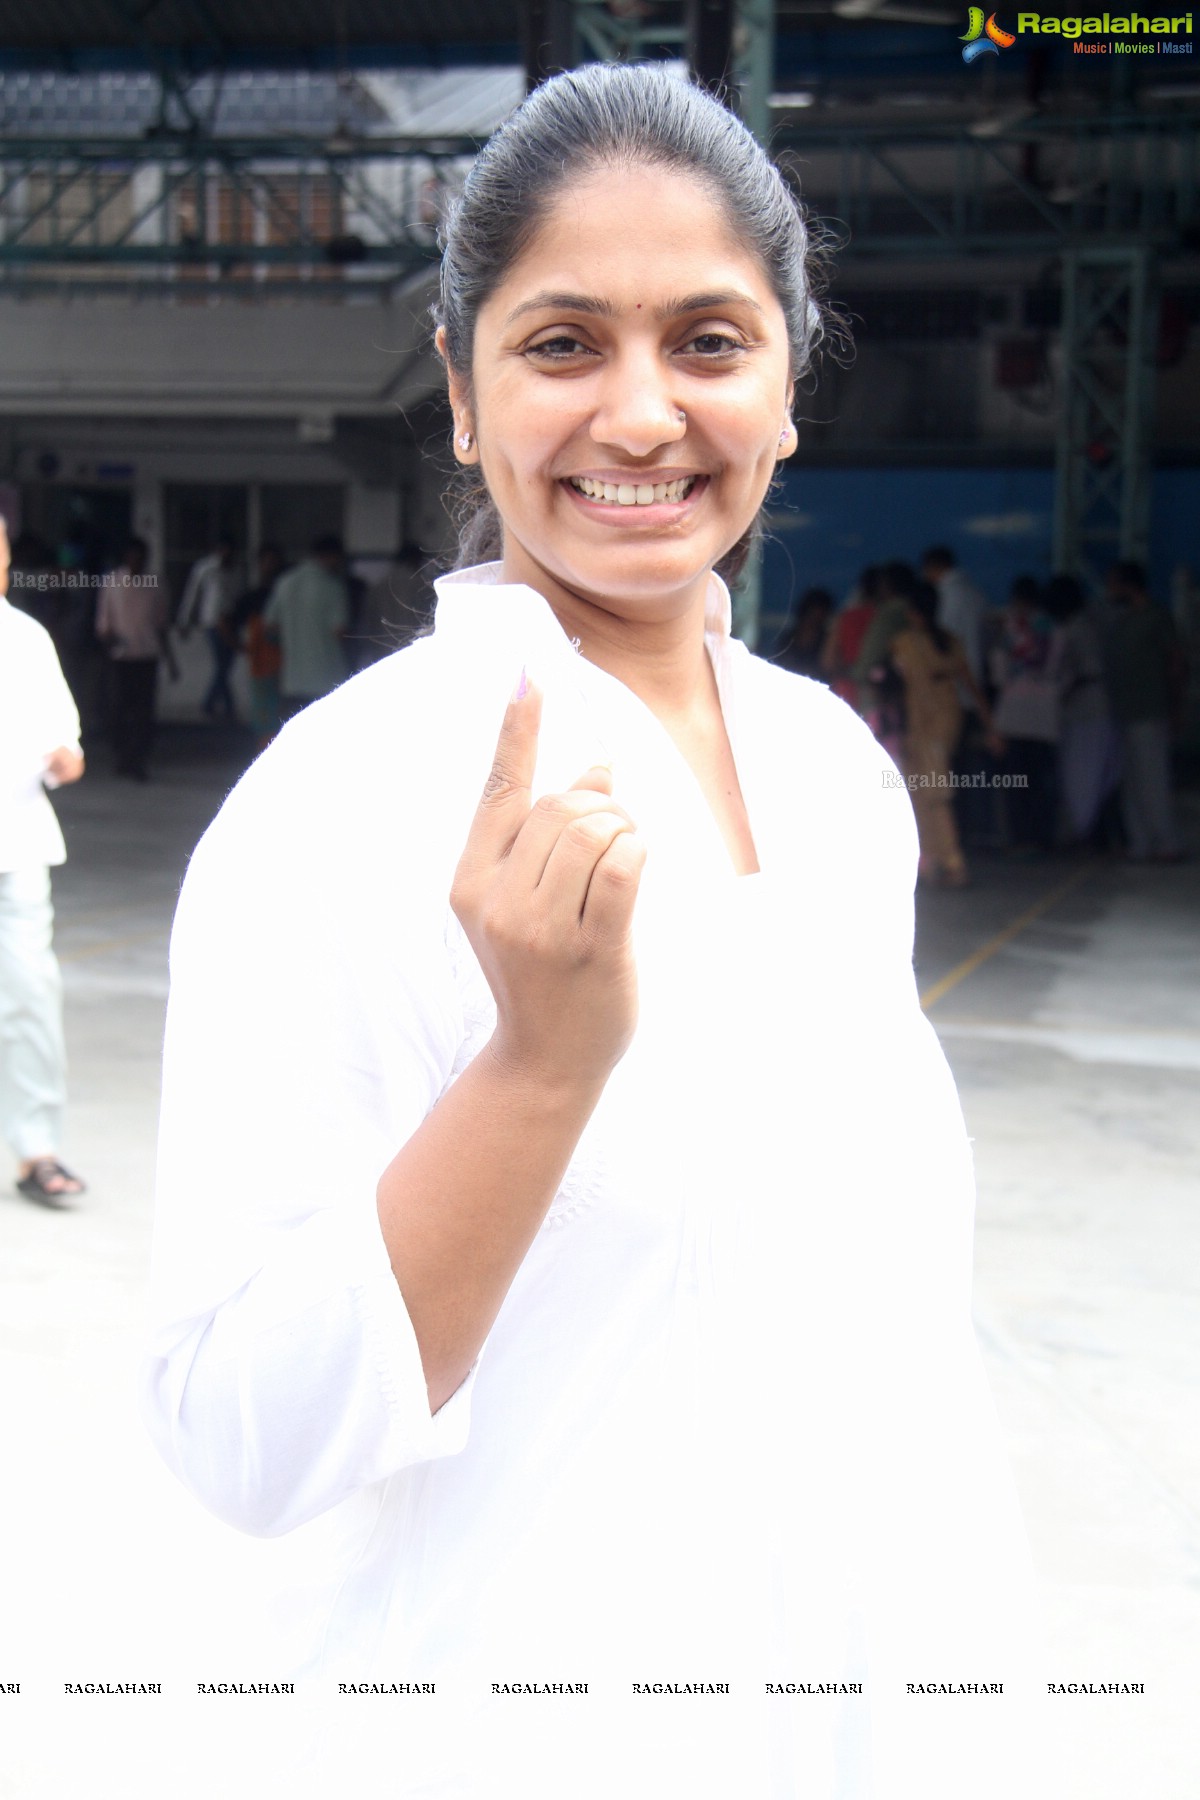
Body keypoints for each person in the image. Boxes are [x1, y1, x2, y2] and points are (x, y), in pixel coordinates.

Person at [144, 66, 1043, 1800]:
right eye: (564, 344)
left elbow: (888, 1355)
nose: (642, 415)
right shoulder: (342, 807)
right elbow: (239, 1439)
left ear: (789, 389)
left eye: (708, 341)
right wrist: (538, 1071)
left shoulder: (830, 774)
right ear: (466, 395)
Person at [0, 515, 87, 1207]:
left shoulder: (26, 641)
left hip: (17, 849)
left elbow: (67, 748)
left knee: (30, 998)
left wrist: (65, 760)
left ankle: (37, 1151)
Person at [890, 580, 1003, 887]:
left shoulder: (904, 643)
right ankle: (932, 862)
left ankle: (952, 862)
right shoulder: (950, 641)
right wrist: (991, 726)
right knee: (923, 790)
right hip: (945, 721)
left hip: (924, 724)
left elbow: (899, 684)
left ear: (912, 612)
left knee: (932, 793)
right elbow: (972, 685)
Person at [1104, 560, 1186, 862]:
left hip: (1151, 710)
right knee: (1132, 784)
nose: (1109, 591)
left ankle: (1167, 842)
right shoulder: (1122, 621)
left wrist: (1175, 706)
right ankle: (1140, 842)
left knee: (1153, 779)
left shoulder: (1156, 617)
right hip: (1124, 712)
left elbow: (1175, 663)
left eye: (1114, 584)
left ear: (1128, 585)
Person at [1045, 573, 1120, 847]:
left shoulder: (1077, 629)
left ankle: (1084, 833)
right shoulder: (1089, 623)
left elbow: (1077, 672)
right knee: (1094, 774)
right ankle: (1089, 832)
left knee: (1082, 775)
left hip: (1087, 707)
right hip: (1092, 706)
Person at [991, 575, 1061, 851]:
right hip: (1045, 716)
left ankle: (1020, 839)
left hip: (1013, 715)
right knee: (1043, 782)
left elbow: (998, 673)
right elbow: (1057, 670)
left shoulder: (1009, 630)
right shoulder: (1055, 628)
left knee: (1015, 783)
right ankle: (1043, 837)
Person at [96, 536, 174, 781]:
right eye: (132, 556)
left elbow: (161, 625)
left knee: (143, 713)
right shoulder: (112, 582)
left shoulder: (156, 584)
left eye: (141, 556)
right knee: (118, 710)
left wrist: (171, 660)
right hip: (120, 658)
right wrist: (110, 646)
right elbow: (103, 623)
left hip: (146, 657)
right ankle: (122, 756)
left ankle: (138, 760)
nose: (136, 561)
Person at [261, 532, 349, 718]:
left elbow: (269, 625)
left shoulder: (284, 582)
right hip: (327, 680)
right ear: (332, 556)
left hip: (292, 681)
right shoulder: (332, 586)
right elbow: (339, 631)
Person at [229, 543, 286, 749]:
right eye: (266, 561)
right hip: (261, 668)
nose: (270, 566)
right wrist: (242, 648)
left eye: (274, 561)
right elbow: (227, 622)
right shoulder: (251, 597)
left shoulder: (286, 593)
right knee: (264, 718)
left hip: (287, 667)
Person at [176, 534, 239, 719]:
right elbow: (192, 595)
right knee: (221, 664)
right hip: (211, 622)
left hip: (231, 621)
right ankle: (218, 704)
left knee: (226, 664)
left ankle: (218, 704)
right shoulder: (205, 568)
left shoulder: (236, 570)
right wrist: (184, 621)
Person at [922, 543, 987, 688]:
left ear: (933, 567)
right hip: (977, 674)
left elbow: (943, 637)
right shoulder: (976, 594)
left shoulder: (941, 596)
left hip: (951, 677)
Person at [820, 562, 881, 710]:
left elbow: (828, 660)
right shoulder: (883, 619)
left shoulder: (845, 618)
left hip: (846, 692)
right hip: (877, 695)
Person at [773, 584, 832, 680]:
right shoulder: (788, 639)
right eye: (812, 615)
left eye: (819, 617)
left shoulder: (826, 643)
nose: (815, 619)